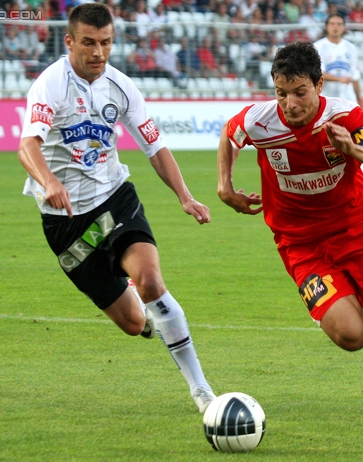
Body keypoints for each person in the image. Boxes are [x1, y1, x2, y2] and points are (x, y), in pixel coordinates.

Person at [216, 41, 363, 429]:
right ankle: (357, 302)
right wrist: (225, 189)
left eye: (300, 93)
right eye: (282, 93)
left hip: (358, 227)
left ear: (319, 84)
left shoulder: (345, 117)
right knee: (351, 337)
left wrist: (353, 150)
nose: (290, 104)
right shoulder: (260, 120)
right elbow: (230, 135)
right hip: (300, 244)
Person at [17, 2, 216, 414]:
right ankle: (141, 309)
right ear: (69, 41)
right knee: (132, 323)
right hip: (65, 222)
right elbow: (27, 145)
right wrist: (49, 181)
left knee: (150, 280)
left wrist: (185, 196)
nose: (98, 53)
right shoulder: (50, 84)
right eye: (89, 43)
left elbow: (154, 146)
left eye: (106, 43)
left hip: (113, 198)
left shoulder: (122, 86)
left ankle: (201, 390)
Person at [314, 14, 363, 183]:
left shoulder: (350, 48)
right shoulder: (318, 47)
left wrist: (360, 101)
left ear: (344, 27)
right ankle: (332, 177)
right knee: (327, 142)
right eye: (332, 23)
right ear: (327, 26)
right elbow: (317, 73)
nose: (335, 27)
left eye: (339, 24)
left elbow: (355, 77)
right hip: (326, 103)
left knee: (358, 138)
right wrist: (339, 78)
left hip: (348, 103)